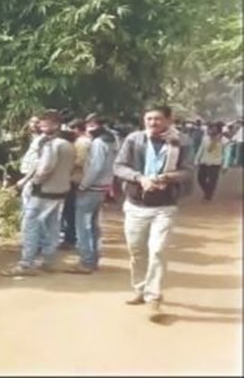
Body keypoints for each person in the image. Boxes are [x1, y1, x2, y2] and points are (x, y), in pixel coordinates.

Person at [114, 105, 194, 314]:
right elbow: (119, 166)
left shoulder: (181, 141)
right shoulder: (134, 139)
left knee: (157, 250)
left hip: (165, 206)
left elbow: (188, 170)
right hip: (135, 205)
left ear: (168, 120)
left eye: (157, 119)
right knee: (137, 251)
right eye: (149, 119)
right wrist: (140, 178)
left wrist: (167, 177)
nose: (152, 123)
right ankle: (140, 289)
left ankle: (154, 295)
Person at [1, 110, 75, 277]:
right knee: (52, 226)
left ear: (56, 125)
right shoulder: (67, 144)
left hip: (43, 192)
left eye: (46, 122)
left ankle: (26, 264)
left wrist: (33, 182)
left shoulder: (51, 145)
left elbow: (45, 169)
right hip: (60, 191)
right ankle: (49, 261)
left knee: (30, 225)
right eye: (41, 122)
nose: (41, 125)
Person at [66, 115, 118, 274]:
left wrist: (83, 185)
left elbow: (95, 167)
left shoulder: (98, 143)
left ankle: (86, 262)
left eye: (90, 125)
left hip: (92, 187)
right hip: (103, 187)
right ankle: (93, 259)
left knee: (83, 226)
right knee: (94, 226)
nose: (88, 128)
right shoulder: (112, 140)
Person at [59, 118, 91, 250]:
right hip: (79, 179)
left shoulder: (82, 143)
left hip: (77, 179)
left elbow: (80, 161)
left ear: (77, 129)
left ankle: (71, 238)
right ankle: (72, 236)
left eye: (72, 129)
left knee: (71, 210)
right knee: (72, 210)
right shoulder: (84, 141)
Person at [194, 122, 228, 202]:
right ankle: (207, 191)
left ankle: (208, 196)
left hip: (215, 163)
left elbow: (226, 153)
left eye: (214, 129)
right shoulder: (205, 138)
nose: (212, 130)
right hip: (204, 161)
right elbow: (200, 149)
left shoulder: (223, 140)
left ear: (218, 130)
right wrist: (196, 160)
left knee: (212, 181)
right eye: (211, 128)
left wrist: (225, 165)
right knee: (200, 179)